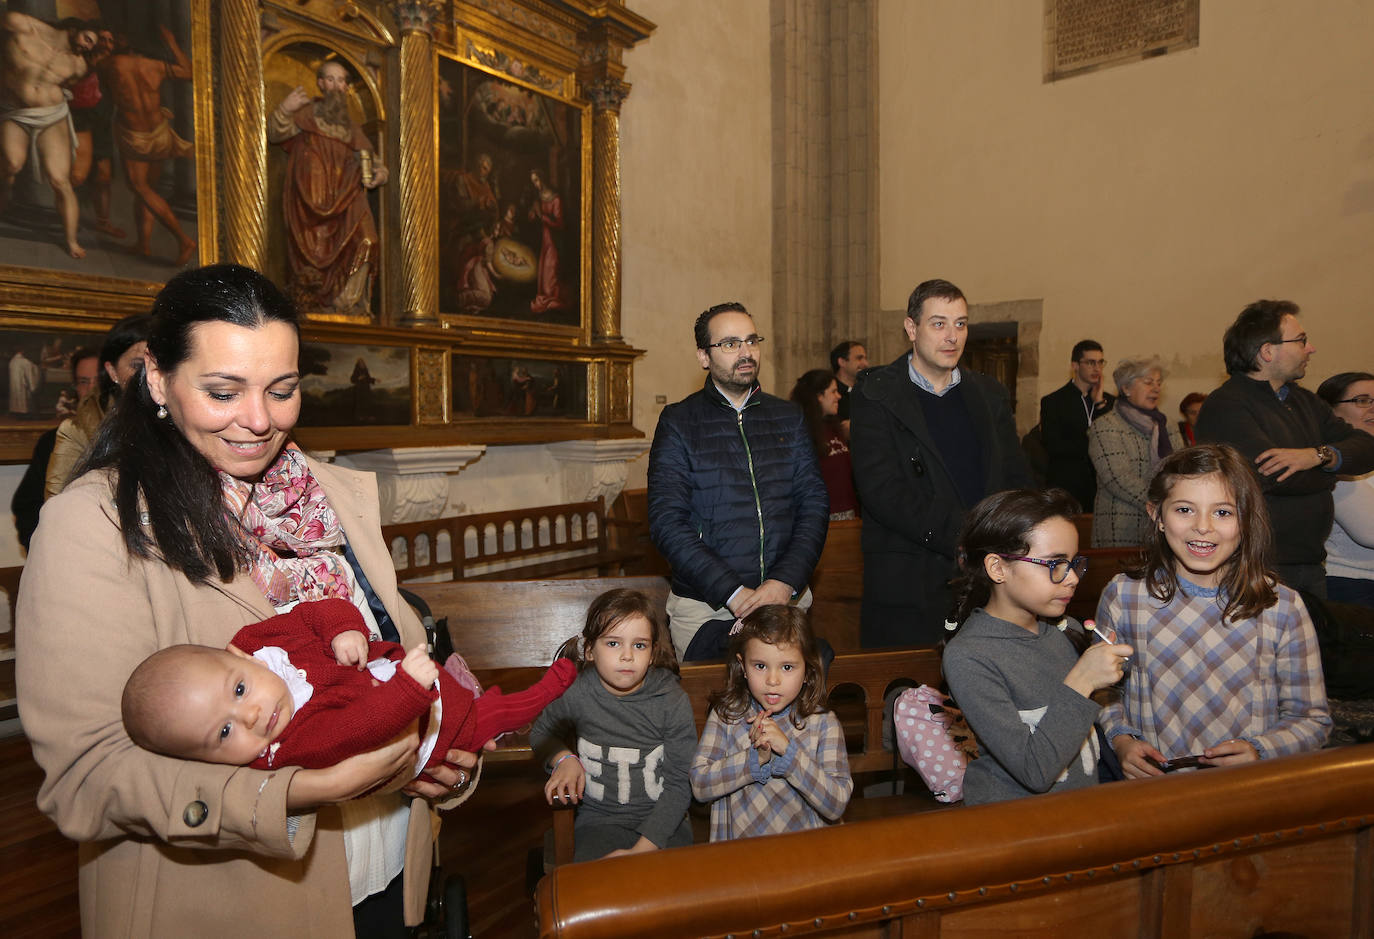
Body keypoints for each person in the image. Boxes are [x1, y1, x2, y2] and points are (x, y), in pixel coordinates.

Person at [16, 265, 481, 936]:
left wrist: (442, 751)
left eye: (283, 389)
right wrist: (296, 790)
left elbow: (393, 648)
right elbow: (86, 775)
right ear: (155, 377)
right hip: (233, 906)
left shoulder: (332, 498)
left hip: (383, 878)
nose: (260, 420)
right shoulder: (91, 526)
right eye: (223, 390)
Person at [121, 597, 576, 782]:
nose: (253, 715)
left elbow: (314, 612)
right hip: (424, 723)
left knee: (471, 699)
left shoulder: (257, 644)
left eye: (239, 691)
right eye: (224, 734)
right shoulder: (289, 743)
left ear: (236, 656)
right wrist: (407, 690)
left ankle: (480, 699)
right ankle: (555, 684)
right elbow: (355, 729)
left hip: (404, 678)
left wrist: (341, 630)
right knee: (495, 717)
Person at [1097, 445, 1332, 779]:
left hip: (1242, 793)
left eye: (1223, 512)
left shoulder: (1282, 606)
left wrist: (1261, 749)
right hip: (1151, 793)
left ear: (1246, 520)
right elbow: (1105, 692)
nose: (1203, 527)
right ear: (1157, 516)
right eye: (1184, 510)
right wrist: (1121, 739)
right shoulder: (1124, 596)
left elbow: (1312, 719)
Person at [849, 278, 1033, 648]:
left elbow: (1015, 475)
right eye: (939, 323)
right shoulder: (876, 394)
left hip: (989, 574)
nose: (952, 336)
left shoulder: (988, 393)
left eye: (960, 324)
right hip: (912, 574)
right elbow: (882, 491)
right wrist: (966, 537)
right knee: (910, 698)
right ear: (911, 328)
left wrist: (1013, 534)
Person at [647, 301, 829, 660]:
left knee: (789, 712)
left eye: (751, 341)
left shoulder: (788, 417)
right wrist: (733, 592)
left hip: (784, 600)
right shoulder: (679, 422)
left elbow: (813, 505)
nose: (745, 352)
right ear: (703, 356)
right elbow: (667, 522)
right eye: (729, 344)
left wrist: (783, 582)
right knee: (717, 711)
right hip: (708, 606)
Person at [941, 488, 1130, 805]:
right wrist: (1083, 680)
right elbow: (1035, 771)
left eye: (1073, 563)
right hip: (1017, 826)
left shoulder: (1063, 630)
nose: (1071, 579)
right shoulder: (969, 655)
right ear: (998, 568)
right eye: (1054, 563)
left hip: (1079, 815)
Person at [1195, 299, 1374, 596]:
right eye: (1301, 340)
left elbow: (1367, 448)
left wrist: (1316, 456)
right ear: (1267, 351)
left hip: (1311, 564)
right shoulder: (1227, 405)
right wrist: (1331, 473)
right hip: (1257, 565)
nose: (1311, 348)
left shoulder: (1304, 401)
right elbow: (1270, 476)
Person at [530, 588, 697, 862]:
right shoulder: (577, 693)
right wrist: (564, 759)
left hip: (665, 822)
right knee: (597, 891)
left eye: (639, 645)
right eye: (613, 643)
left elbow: (680, 785)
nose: (627, 655)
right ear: (589, 650)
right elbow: (541, 732)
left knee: (674, 897)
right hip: (599, 823)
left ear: (653, 653)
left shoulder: (671, 700)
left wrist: (640, 851)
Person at [689, 605, 852, 840]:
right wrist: (753, 759)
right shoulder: (727, 715)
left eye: (787, 667)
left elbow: (836, 804)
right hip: (737, 857)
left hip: (804, 858)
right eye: (760, 666)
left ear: (807, 670)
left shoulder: (823, 723)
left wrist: (789, 753)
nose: (772, 680)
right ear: (743, 665)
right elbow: (700, 786)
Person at [270, 60, 388, 316]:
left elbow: (371, 159)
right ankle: (313, 303)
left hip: (347, 196)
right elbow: (276, 133)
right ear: (321, 84)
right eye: (331, 80)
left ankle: (349, 304)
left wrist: (380, 173)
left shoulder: (350, 126)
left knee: (368, 240)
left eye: (342, 81)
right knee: (313, 250)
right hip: (310, 194)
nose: (337, 86)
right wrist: (285, 109)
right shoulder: (307, 113)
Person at [0, 13, 100, 258]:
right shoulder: (22, 25)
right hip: (17, 111)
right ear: (75, 28)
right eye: (88, 38)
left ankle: (71, 240)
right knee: (11, 165)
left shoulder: (78, 65)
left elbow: (68, 87)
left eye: (91, 45)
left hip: (51, 115)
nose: (87, 46)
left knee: (60, 181)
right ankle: (5, 197)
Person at [95, 26, 198, 266]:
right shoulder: (156, 66)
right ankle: (144, 244)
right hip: (160, 132)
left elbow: (87, 71)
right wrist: (172, 43)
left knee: (139, 187)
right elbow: (189, 71)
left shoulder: (112, 64)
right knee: (149, 189)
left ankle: (183, 240)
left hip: (135, 136)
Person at [45, 312, 150, 498]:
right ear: (112, 371)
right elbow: (59, 505)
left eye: (162, 364)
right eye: (137, 365)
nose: (151, 375)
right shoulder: (77, 430)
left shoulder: (189, 420)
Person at [1087, 356, 1182, 547]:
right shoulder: (1105, 426)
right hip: (1122, 525)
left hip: (1165, 526)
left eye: (1158, 383)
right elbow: (1118, 479)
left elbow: (1181, 469)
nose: (1156, 388)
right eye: (1148, 382)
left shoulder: (1167, 425)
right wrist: (1163, 504)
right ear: (1126, 388)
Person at [11, 346, 97, 549]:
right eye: (84, 382)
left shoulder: (139, 439)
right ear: (76, 387)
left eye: (100, 381)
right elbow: (27, 507)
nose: (92, 389)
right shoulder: (53, 441)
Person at [1316, 372, 1374, 606]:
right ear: (1330, 412)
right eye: (1362, 400)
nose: (1372, 408)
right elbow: (1370, 530)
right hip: (1354, 587)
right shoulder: (1332, 460)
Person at [1039, 339, 1114, 512]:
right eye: (1090, 362)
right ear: (1075, 365)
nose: (1097, 368)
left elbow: (1110, 441)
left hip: (1101, 487)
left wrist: (1100, 404)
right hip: (1067, 486)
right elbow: (1054, 445)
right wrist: (1093, 445)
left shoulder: (1109, 402)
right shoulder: (1054, 402)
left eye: (1100, 362)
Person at [789, 368, 857, 520]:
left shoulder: (836, 427)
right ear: (819, 396)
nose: (838, 396)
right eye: (833, 392)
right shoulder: (801, 431)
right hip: (821, 517)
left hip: (850, 515)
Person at [528, 170, 565, 313]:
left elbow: (559, 224)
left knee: (549, 280)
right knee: (542, 279)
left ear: (543, 179)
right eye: (533, 182)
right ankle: (546, 299)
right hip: (543, 240)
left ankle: (553, 299)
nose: (536, 185)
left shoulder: (556, 199)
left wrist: (541, 216)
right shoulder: (539, 197)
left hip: (553, 242)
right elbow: (534, 215)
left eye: (537, 180)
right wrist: (532, 214)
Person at [829, 340, 868, 424]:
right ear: (842, 362)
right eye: (859, 358)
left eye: (865, 358)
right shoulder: (829, 394)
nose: (865, 364)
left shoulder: (866, 391)